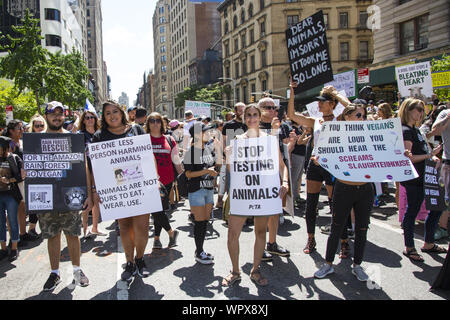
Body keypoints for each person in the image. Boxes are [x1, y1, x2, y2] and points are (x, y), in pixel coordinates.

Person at [222, 104, 289, 286]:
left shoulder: (269, 140)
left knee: (260, 232)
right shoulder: (237, 140)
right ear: (244, 119)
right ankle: (235, 271)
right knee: (232, 234)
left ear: (260, 117)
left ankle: (255, 270)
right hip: (243, 194)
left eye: (255, 115)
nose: (252, 118)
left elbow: (282, 166)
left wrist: (285, 182)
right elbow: (232, 171)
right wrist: (228, 157)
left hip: (264, 194)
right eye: (248, 115)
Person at [287, 81, 350, 254]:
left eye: (323, 101)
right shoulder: (315, 121)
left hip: (332, 166)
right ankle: (310, 239)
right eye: (319, 101)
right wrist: (292, 91)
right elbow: (291, 114)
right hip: (315, 164)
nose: (319, 104)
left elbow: (353, 108)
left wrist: (335, 94)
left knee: (335, 205)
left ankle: (343, 241)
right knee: (311, 204)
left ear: (332, 104)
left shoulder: (341, 119)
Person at [92, 100, 150, 281]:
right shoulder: (99, 136)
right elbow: (94, 166)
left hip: (139, 185)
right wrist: (95, 190)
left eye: (115, 111)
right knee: (124, 226)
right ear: (104, 116)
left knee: (142, 227)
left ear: (121, 112)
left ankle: (140, 259)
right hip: (115, 189)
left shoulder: (136, 130)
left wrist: (153, 179)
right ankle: (130, 262)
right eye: (107, 113)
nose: (112, 115)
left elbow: (147, 156)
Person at [314, 104, 373, 281]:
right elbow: (323, 155)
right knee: (336, 227)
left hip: (365, 188)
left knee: (362, 229)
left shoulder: (370, 136)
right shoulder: (335, 135)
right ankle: (328, 264)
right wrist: (319, 160)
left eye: (363, 116)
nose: (361, 118)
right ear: (346, 117)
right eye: (358, 115)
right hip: (344, 187)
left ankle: (358, 265)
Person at [40, 101, 92, 291]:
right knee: (52, 236)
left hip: (71, 196)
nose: (57, 117)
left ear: (64, 116)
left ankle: (77, 270)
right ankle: (55, 273)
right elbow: (30, 166)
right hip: (47, 197)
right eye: (53, 114)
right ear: (46, 116)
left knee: (73, 234)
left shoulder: (73, 139)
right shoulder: (35, 140)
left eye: (60, 114)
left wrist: (88, 194)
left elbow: (83, 167)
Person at [399, 98, 447, 262]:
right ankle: (409, 246)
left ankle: (428, 242)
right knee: (412, 210)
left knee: (437, 206)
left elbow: (423, 150)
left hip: (427, 175)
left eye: (423, 109)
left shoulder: (416, 130)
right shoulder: (406, 130)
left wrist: (433, 156)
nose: (421, 112)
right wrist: (429, 155)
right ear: (408, 110)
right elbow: (409, 158)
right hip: (414, 178)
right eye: (418, 109)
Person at [257, 97, 292, 260]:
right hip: (258, 175)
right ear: (260, 109)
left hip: (275, 172)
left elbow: (281, 152)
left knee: (275, 211)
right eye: (268, 107)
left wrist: (284, 179)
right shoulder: (253, 127)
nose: (273, 111)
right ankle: (260, 246)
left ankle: (272, 243)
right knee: (261, 214)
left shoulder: (280, 126)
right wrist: (273, 131)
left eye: (274, 108)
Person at [145, 112, 183, 249]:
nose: (155, 123)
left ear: (162, 123)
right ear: (148, 124)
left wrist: (183, 177)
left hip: (166, 180)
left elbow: (176, 160)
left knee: (158, 210)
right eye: (152, 121)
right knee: (156, 210)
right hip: (149, 182)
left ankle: (157, 238)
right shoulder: (143, 140)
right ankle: (171, 233)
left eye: (158, 121)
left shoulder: (169, 139)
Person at [184, 122, 220, 264]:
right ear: (198, 135)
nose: (209, 133)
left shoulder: (208, 149)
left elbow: (217, 165)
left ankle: (201, 250)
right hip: (197, 190)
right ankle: (199, 252)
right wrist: (206, 171)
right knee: (199, 223)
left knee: (205, 221)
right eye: (206, 131)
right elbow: (188, 174)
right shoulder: (190, 152)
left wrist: (218, 149)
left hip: (209, 188)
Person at [77, 110, 106, 238]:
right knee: (86, 202)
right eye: (87, 118)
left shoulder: (101, 134)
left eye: (92, 117)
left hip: (99, 170)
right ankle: (84, 229)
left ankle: (95, 227)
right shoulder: (79, 135)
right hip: (85, 171)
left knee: (97, 200)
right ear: (83, 120)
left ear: (95, 119)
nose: (89, 120)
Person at [0, 136, 25, 262]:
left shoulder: (13, 158)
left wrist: (8, 180)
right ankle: (3, 249)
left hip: (11, 194)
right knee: (0, 223)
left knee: (12, 221)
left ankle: (14, 248)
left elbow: (21, 176)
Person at [431, 107, 450, 240]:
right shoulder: (445, 113)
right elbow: (435, 131)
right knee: (447, 199)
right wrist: (448, 117)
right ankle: (443, 227)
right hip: (448, 162)